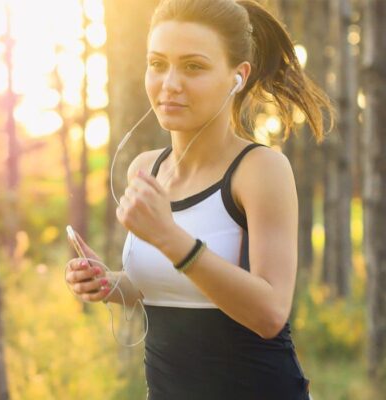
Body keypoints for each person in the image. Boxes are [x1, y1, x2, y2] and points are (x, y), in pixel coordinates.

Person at [65, 0, 334, 398]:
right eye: (158, 64)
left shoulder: (260, 170)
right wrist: (109, 283)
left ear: (237, 76)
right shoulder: (144, 168)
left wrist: (170, 238)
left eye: (193, 66)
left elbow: (270, 313)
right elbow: (160, 286)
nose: (169, 83)